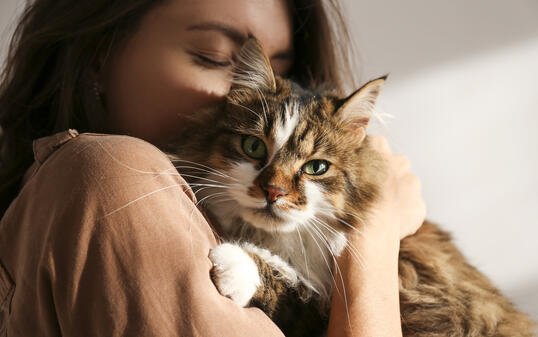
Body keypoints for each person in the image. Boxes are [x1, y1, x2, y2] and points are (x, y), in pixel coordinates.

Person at [0, 0, 426, 336]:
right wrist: (375, 237)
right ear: (97, 55)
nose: (252, 92)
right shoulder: (116, 174)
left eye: (279, 71)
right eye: (216, 57)